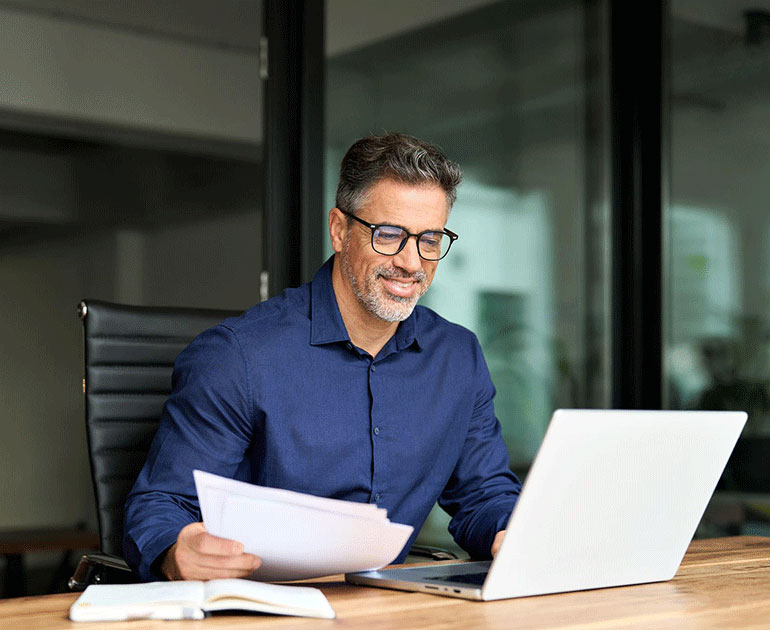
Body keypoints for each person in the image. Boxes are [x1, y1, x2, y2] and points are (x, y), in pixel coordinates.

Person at [124, 132, 522, 582]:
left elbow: (484, 495)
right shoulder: (238, 357)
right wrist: (177, 550)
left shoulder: (457, 357)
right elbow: (161, 504)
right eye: (389, 235)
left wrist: (511, 531)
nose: (412, 262)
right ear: (339, 230)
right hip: (263, 607)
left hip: (389, 608)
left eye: (430, 240)